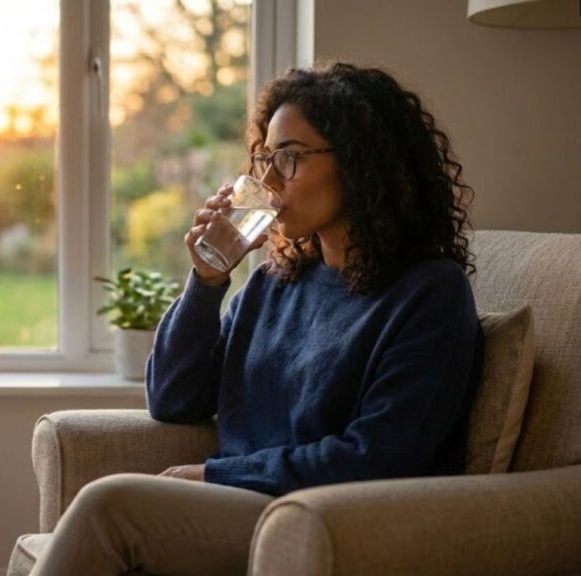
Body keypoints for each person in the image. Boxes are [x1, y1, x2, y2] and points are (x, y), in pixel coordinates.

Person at [29, 62, 483, 576]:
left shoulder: (429, 293)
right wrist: (207, 281)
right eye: (265, 158)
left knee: (110, 507)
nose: (267, 180)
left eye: (289, 158)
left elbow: (379, 456)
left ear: (361, 162)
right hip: (248, 507)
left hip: (325, 519)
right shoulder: (275, 283)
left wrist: (218, 475)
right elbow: (174, 399)